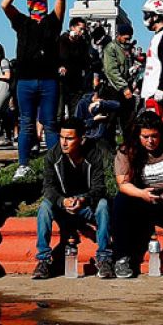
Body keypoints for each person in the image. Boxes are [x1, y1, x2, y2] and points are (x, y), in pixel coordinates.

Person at [112, 109, 163, 278]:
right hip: (141, 197)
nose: (150, 141)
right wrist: (141, 194)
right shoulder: (126, 150)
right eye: (145, 137)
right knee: (120, 201)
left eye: (154, 136)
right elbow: (123, 184)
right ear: (138, 135)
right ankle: (121, 258)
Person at [2, 0, 67, 172]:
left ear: (46, 1)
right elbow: (5, 5)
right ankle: (23, 165)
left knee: (50, 124)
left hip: (48, 80)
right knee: (26, 124)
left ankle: (55, 165)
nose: (36, 1)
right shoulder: (22, 22)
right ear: (28, 2)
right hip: (25, 81)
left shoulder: (53, 21)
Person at [33, 117, 114, 280]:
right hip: (63, 206)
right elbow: (48, 188)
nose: (64, 142)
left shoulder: (94, 154)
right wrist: (62, 201)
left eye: (69, 138)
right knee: (44, 207)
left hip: (86, 206)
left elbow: (99, 189)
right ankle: (43, 260)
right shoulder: (52, 156)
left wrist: (83, 200)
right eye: (62, 137)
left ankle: (104, 258)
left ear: (81, 139)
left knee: (104, 205)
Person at [58, 17, 95, 116]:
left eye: (84, 30)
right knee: (59, 109)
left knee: (74, 109)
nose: (82, 32)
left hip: (76, 79)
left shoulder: (82, 43)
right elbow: (59, 57)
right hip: (62, 80)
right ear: (72, 28)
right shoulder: (61, 40)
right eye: (80, 29)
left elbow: (86, 61)